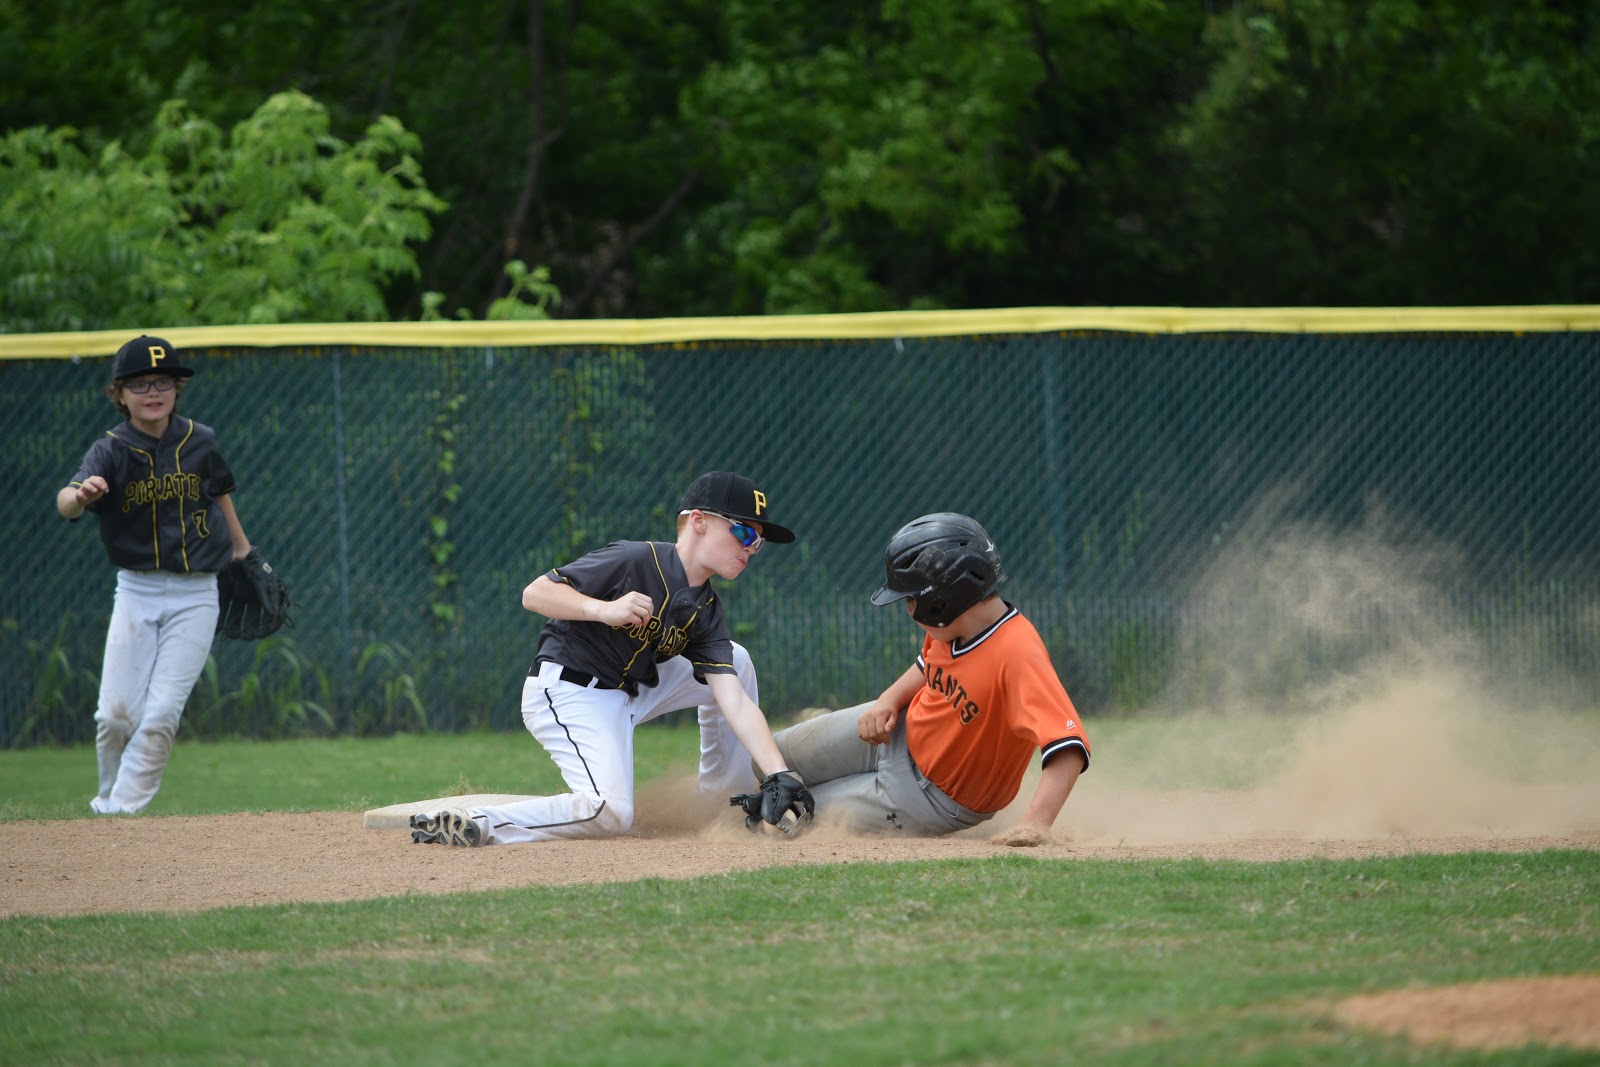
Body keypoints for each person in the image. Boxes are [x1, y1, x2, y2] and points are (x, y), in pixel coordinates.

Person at [410, 471, 805, 846]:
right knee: (611, 812)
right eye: (743, 531)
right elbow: (535, 593)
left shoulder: (707, 610)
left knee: (737, 661)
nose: (750, 547)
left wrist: (779, 773)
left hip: (630, 691)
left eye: (758, 542)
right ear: (699, 521)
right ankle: (476, 821)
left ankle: (723, 805)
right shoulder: (635, 560)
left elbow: (734, 700)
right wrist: (604, 609)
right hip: (570, 688)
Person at [769, 513, 1090, 845]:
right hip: (897, 732)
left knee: (790, 814)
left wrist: (1036, 824)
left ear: (941, 601)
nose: (908, 609)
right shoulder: (954, 626)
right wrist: (890, 699)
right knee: (772, 758)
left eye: (910, 599)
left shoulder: (1017, 652)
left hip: (931, 799)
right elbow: (927, 665)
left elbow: (1068, 746)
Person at [56, 335, 256, 815]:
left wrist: (243, 551)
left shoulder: (200, 440)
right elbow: (65, 503)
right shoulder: (110, 449)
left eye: (163, 382)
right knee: (114, 716)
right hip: (137, 590)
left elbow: (220, 493)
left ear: (176, 389)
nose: (153, 392)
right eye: (140, 384)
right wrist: (80, 496)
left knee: (162, 712)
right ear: (120, 394)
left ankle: (121, 811)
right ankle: (108, 799)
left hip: (196, 593)